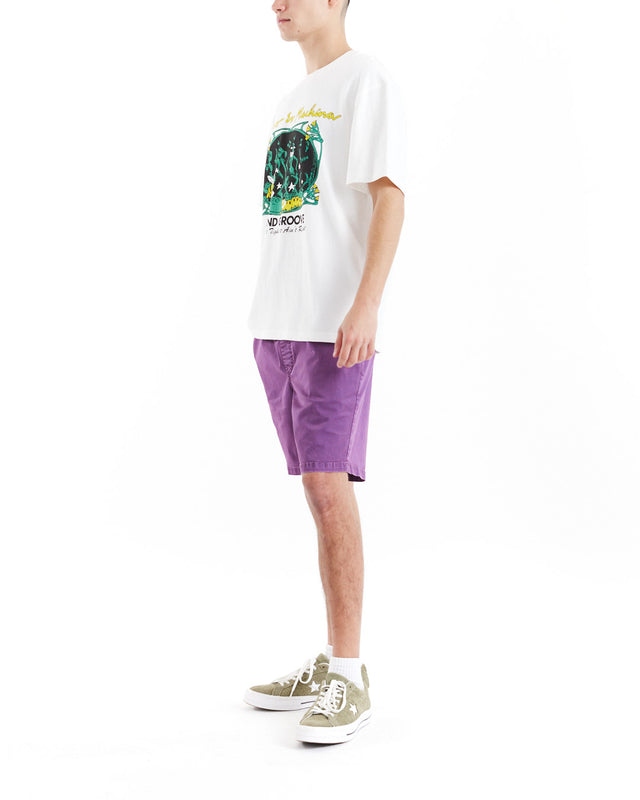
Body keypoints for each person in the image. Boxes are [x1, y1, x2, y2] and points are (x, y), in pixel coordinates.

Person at [243, 0, 407, 744]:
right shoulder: (291, 99)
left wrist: (366, 304)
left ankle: (349, 675)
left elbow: (388, 195)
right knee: (316, 493)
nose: (277, 2)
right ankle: (328, 660)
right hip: (277, 326)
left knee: (328, 488)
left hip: (331, 329)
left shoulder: (364, 79)